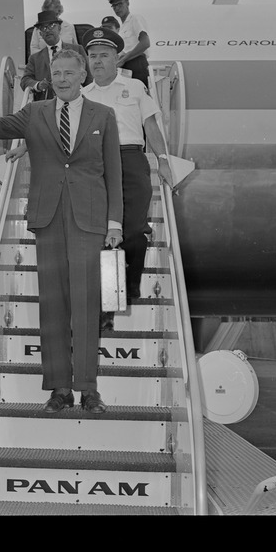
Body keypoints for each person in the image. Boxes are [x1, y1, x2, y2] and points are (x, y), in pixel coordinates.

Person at [0, 46, 123, 413]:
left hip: (89, 219)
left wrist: (114, 223)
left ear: (83, 76)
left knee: (87, 305)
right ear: (50, 78)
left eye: (70, 73)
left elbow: (114, 172)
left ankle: (88, 389)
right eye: (57, 74)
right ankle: (59, 389)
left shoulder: (103, 115)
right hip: (48, 218)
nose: (63, 79)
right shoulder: (34, 113)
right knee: (53, 305)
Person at [81, 26, 175, 331]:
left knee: (134, 229)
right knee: (102, 235)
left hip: (131, 159)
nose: (97, 61)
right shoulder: (82, 96)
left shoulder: (134, 88)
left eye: (104, 55)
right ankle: (107, 307)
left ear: (116, 58)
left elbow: (151, 127)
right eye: (92, 56)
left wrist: (162, 160)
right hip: (95, 165)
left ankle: (129, 288)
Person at [21, 10, 91, 101]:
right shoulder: (34, 58)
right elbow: (25, 80)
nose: (48, 30)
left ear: (59, 28)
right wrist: (38, 85)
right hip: (46, 106)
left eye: (51, 26)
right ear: (40, 34)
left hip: (76, 102)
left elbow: (89, 78)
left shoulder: (77, 50)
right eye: (43, 28)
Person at [106, 0, 151, 88]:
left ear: (127, 3)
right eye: (114, 6)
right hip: (125, 67)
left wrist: (124, 58)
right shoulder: (122, 28)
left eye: (120, 4)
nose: (117, 8)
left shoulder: (135, 18)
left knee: (139, 97)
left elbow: (145, 43)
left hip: (136, 63)